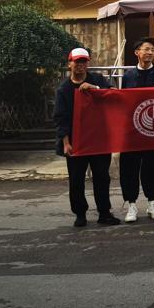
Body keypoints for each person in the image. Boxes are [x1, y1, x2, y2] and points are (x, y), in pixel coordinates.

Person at [54, 47, 119, 227]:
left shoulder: (97, 79)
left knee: (102, 177)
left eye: (84, 61)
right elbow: (60, 118)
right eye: (77, 62)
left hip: (99, 139)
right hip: (76, 141)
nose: (80, 65)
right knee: (76, 180)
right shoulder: (64, 89)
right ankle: (80, 213)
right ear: (70, 64)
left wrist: (95, 89)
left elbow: (114, 94)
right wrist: (66, 143)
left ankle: (104, 212)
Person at [119, 37, 154, 222]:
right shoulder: (128, 76)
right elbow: (123, 101)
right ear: (137, 52)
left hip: (153, 130)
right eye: (146, 49)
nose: (150, 53)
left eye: (152, 50)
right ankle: (131, 205)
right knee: (129, 168)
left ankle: (152, 203)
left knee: (151, 167)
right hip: (132, 132)